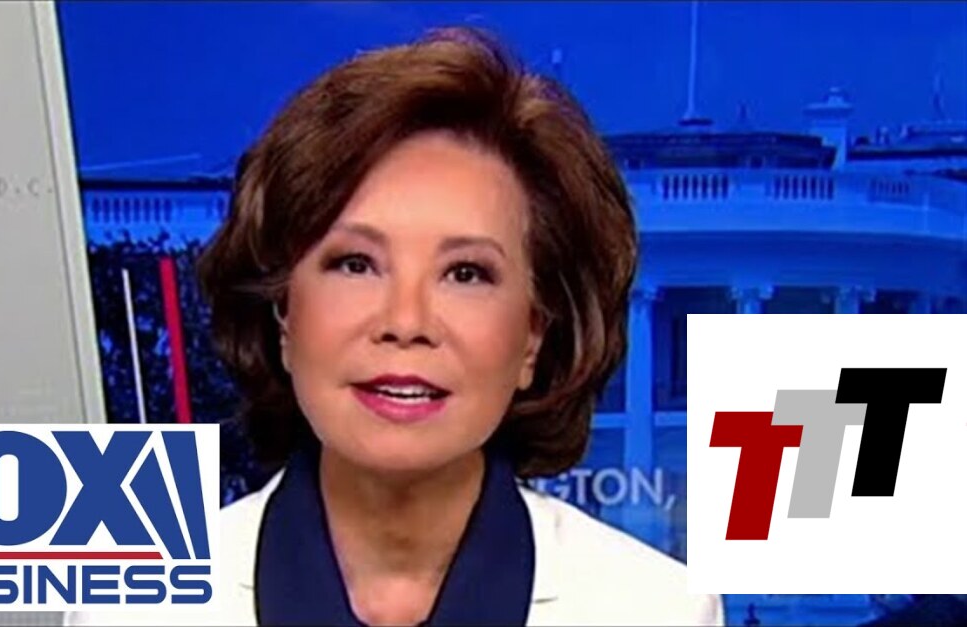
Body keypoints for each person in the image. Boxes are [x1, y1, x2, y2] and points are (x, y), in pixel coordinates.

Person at [69, 26, 722, 626]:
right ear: (283, 312)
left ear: (533, 335)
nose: (405, 322)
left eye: (465, 273)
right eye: (355, 264)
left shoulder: (657, 610)